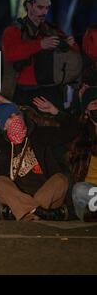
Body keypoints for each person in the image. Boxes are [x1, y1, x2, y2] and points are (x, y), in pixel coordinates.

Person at [1, 0, 80, 109]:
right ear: (29, 5)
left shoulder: (51, 30)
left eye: (47, 8)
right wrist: (40, 45)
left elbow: (73, 54)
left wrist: (70, 44)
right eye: (40, 7)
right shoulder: (13, 30)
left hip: (50, 90)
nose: (44, 12)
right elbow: (10, 53)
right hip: (21, 92)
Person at [70, 86, 97, 221]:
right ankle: (84, 225)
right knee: (79, 189)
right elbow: (67, 125)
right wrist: (81, 106)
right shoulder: (82, 134)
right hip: (89, 190)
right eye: (95, 104)